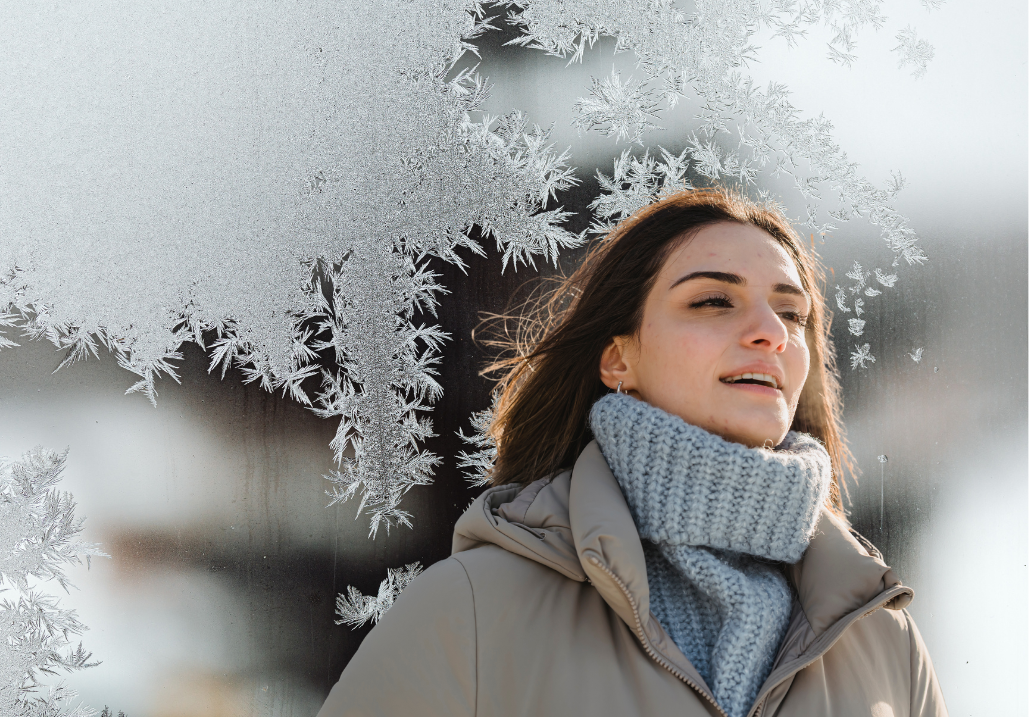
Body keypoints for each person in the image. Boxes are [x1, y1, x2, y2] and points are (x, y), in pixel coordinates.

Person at [317, 187, 947, 717]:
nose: (771, 332)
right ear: (619, 357)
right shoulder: (472, 613)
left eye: (792, 312)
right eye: (712, 301)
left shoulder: (883, 640)